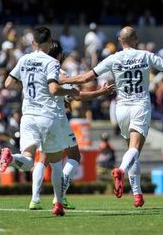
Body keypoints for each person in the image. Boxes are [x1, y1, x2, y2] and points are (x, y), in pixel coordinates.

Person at [60, 26, 163, 207]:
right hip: (140, 105)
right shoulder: (145, 55)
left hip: (121, 108)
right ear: (135, 40)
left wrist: (64, 81)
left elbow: (86, 78)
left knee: (131, 150)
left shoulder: (113, 58)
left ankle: (137, 194)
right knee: (134, 149)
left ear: (120, 40)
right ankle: (120, 171)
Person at [0, 27, 79, 216]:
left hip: (28, 116)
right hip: (47, 116)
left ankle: (11, 158)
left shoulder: (24, 59)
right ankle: (58, 203)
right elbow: (53, 90)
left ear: (33, 42)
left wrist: (26, 83)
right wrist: (70, 92)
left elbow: (8, 83)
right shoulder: (51, 62)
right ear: (49, 43)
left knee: (27, 158)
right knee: (56, 164)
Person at [29, 40, 114, 211]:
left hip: (36, 116)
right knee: (74, 156)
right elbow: (77, 95)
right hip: (56, 119)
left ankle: (35, 199)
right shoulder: (56, 70)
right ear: (59, 55)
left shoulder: (35, 68)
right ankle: (59, 196)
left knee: (43, 158)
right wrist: (100, 92)